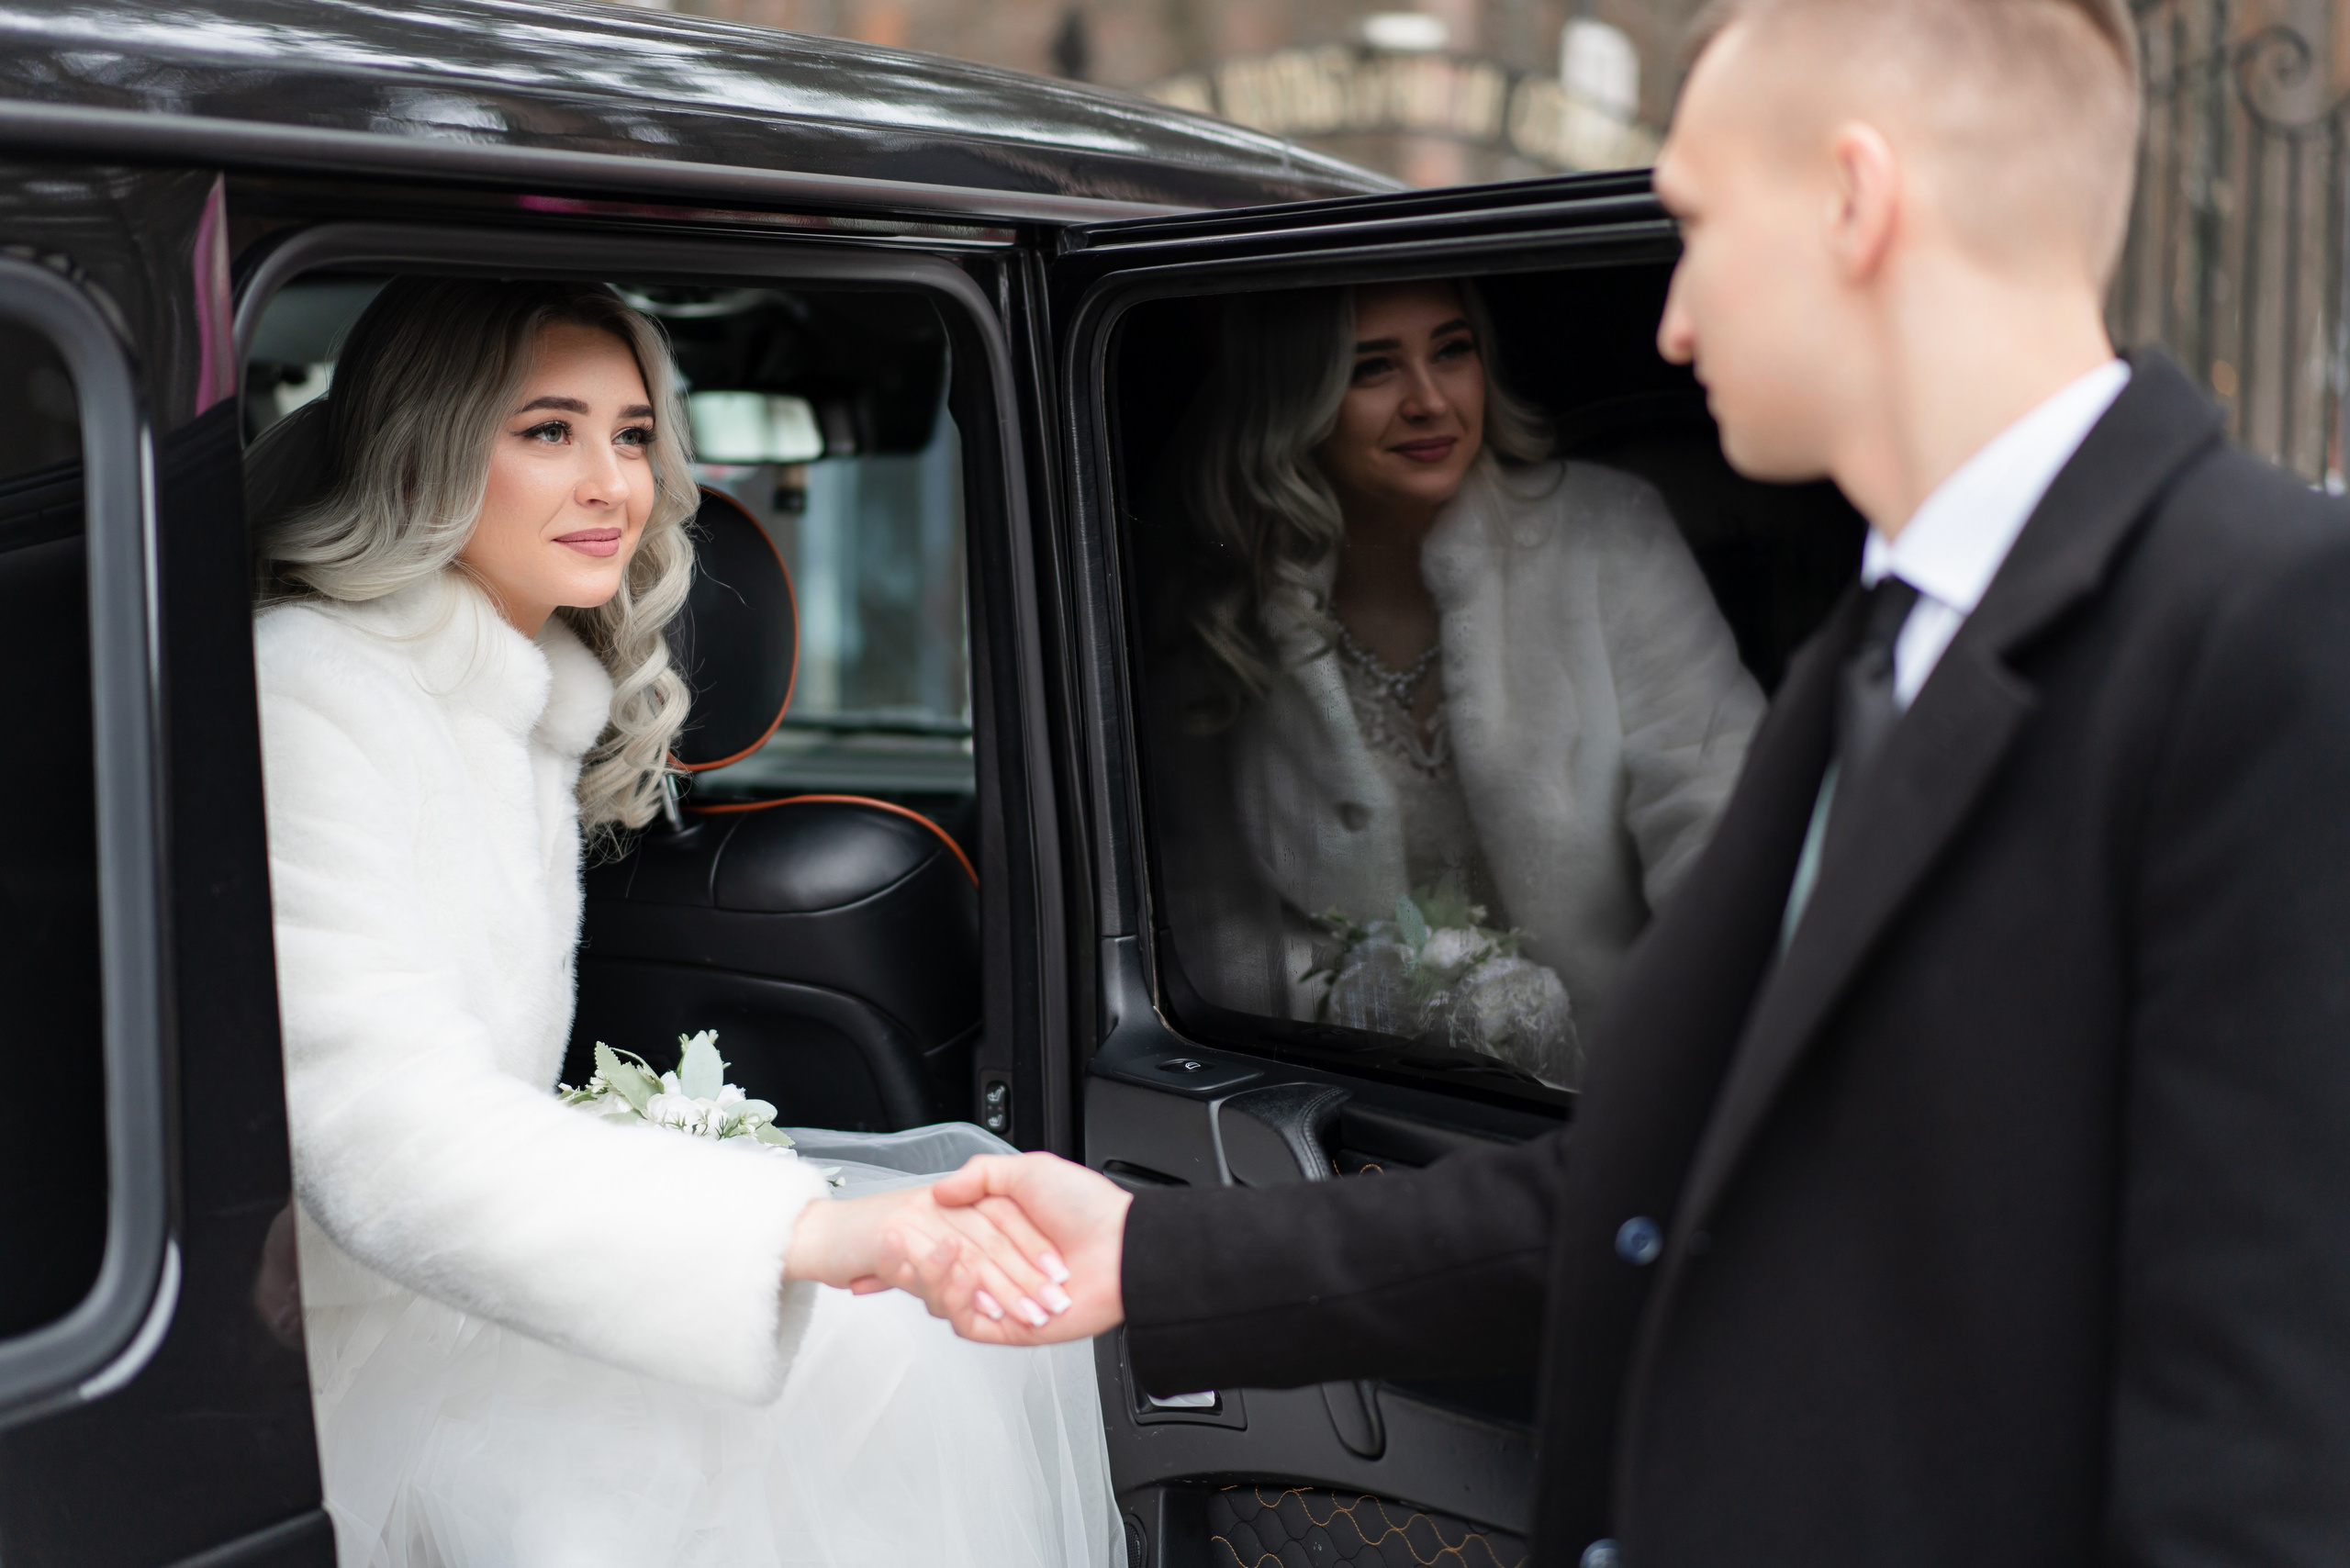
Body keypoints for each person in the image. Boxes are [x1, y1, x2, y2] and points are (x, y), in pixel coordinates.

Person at [907, 0, 2350, 1563]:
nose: (1671, 320)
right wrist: (1154, 1251)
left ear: (1856, 205)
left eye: (1699, 227)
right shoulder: (1874, 651)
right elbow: (1641, 1183)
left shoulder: (2274, 625)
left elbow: (2263, 1407)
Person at [246, 276, 1113, 1567]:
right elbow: (384, 1131)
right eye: (548, 431)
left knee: (904, 1350)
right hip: (330, 1345)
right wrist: (803, 1232)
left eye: (635, 434)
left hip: (461, 1286)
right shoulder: (314, 689)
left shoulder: (516, 699)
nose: (613, 485)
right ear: (425, 448)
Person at [1150, 280, 1762, 1087]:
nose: (1430, 400)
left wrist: (1676, 1078)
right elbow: (1212, 923)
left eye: (1451, 350)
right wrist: (1366, 1020)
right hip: (1335, 1101)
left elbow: (1725, 832)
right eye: (1373, 369)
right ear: (1298, 400)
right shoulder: (1224, 613)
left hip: (1625, 1089)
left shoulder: (1608, 536)